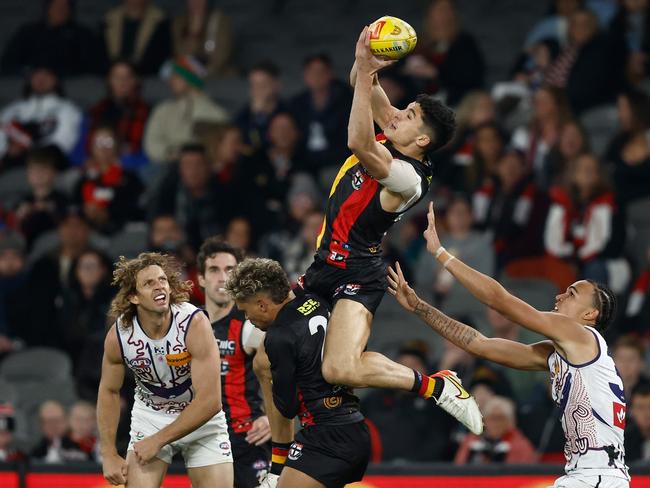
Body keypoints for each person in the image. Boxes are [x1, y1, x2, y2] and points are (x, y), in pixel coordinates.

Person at [298, 26, 482, 436]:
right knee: (263, 352)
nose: (396, 115)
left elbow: (357, 142)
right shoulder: (400, 132)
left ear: (420, 139)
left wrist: (365, 75)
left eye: (408, 115)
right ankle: (275, 464)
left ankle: (436, 386)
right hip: (322, 265)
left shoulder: (407, 177)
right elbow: (359, 84)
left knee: (339, 367)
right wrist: (365, 60)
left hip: (358, 275)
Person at [387, 202, 630, 487]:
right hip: (590, 477)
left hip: (596, 478)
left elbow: (500, 301)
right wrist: (420, 307)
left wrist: (442, 254)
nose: (560, 296)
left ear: (590, 315)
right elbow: (479, 344)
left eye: (572, 294)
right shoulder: (563, 353)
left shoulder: (581, 334)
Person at [226, 257, 370, 488]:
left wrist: (276, 377)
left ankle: (276, 470)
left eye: (246, 310)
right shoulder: (314, 300)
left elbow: (287, 407)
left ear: (262, 304)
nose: (247, 319)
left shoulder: (278, 337)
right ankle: (276, 471)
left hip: (325, 437)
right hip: (352, 426)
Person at [97, 252, 233, 487]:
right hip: (151, 417)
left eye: (162, 280)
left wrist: (158, 440)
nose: (159, 286)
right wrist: (108, 453)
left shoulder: (195, 323)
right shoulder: (119, 337)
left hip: (201, 419)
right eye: (149, 283)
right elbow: (109, 391)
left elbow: (211, 401)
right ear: (134, 297)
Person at [197, 238, 274, 487]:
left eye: (230, 270)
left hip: (246, 440)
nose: (222, 277)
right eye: (214, 270)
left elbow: (289, 369)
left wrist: (275, 418)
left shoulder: (249, 326)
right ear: (200, 279)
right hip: (201, 440)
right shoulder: (188, 326)